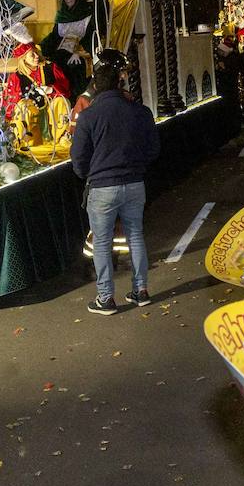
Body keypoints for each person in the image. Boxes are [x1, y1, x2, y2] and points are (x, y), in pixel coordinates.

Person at [72, 63, 160, 315]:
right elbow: (153, 148)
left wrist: (89, 175)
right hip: (134, 183)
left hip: (101, 187)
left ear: (96, 86)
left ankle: (105, 298)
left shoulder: (88, 117)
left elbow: (78, 158)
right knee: (135, 235)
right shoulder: (140, 112)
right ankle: (141, 291)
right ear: (120, 83)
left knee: (102, 242)